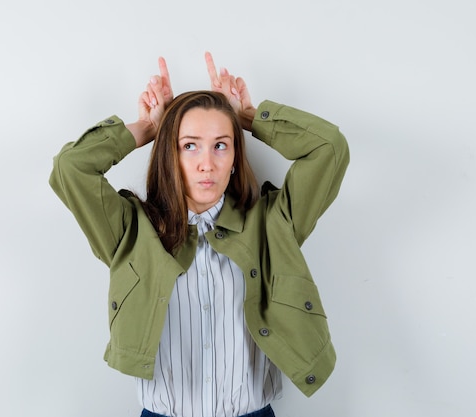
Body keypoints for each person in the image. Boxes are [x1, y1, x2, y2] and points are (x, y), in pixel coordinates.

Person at [49, 52, 349, 417]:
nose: (207, 163)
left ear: (236, 155)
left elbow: (329, 148)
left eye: (221, 144)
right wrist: (148, 127)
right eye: (189, 145)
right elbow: (71, 168)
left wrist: (249, 117)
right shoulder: (130, 231)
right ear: (169, 155)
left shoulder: (273, 224)